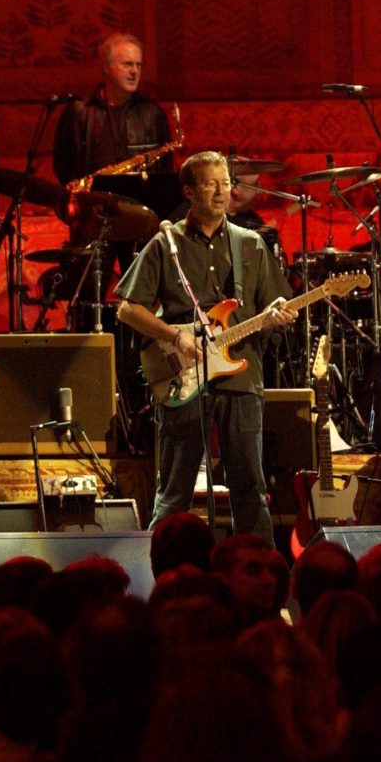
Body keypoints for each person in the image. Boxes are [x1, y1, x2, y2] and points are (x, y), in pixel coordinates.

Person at [116, 150, 297, 541]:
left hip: (241, 379)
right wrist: (174, 335)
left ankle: (259, 577)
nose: (221, 192)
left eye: (226, 182)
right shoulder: (167, 243)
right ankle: (158, 575)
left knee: (250, 490)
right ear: (189, 192)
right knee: (174, 493)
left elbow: (273, 305)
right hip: (183, 378)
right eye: (211, 184)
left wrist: (279, 312)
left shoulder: (250, 244)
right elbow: (128, 310)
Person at [53, 33, 172, 186]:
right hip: (92, 202)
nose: (135, 71)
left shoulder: (153, 113)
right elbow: (63, 165)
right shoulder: (78, 112)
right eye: (127, 64)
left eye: (139, 65)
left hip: (139, 203)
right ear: (106, 67)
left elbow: (164, 169)